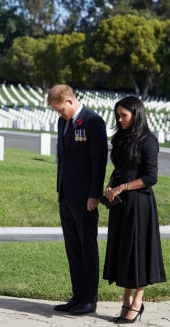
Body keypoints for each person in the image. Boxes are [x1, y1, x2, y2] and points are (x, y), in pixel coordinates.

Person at [103, 95, 166, 324]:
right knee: (124, 252)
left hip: (140, 204)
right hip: (121, 204)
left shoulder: (148, 140)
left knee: (138, 254)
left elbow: (151, 177)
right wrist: (110, 185)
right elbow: (119, 168)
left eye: (124, 116)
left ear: (136, 114)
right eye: (118, 116)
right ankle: (126, 298)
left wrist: (123, 187)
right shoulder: (121, 138)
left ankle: (137, 302)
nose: (120, 120)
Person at [47, 84, 108, 315]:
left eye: (61, 109)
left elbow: (98, 161)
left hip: (85, 198)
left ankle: (89, 299)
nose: (60, 114)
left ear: (70, 101)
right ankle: (77, 295)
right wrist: (59, 189)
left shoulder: (93, 122)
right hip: (66, 195)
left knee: (87, 248)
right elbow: (62, 159)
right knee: (72, 248)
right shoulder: (63, 122)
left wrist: (94, 194)